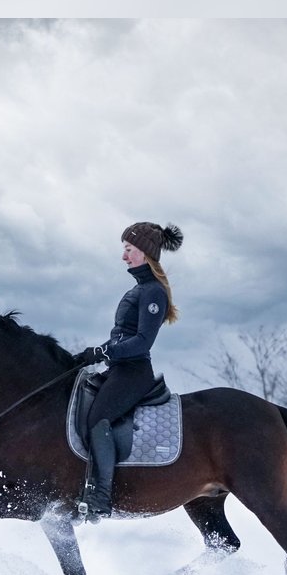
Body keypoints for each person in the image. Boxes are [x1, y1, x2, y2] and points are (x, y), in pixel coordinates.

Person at [73, 221, 183, 518]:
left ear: (145, 253)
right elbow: (121, 335)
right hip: (118, 369)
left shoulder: (153, 292)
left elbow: (142, 342)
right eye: (124, 249)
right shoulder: (139, 289)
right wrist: (93, 354)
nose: (124, 256)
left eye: (128, 249)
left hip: (134, 372)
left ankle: (101, 497)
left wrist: (103, 351)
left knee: (98, 418)